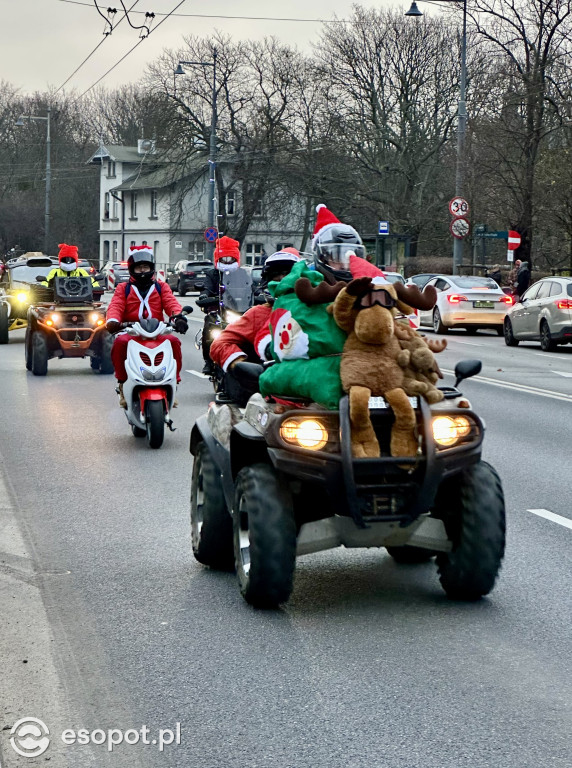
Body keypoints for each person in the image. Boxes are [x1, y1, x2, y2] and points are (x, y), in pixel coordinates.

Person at [209, 248, 301, 404]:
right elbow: (219, 344)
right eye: (276, 277)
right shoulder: (258, 314)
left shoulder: (315, 310)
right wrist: (241, 364)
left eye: (287, 276)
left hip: (310, 394)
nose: (282, 281)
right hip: (269, 396)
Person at [105, 245, 188, 408]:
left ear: (151, 268)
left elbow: (171, 302)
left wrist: (178, 318)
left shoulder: (161, 286)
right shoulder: (123, 288)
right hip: (132, 332)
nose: (142, 271)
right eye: (138, 267)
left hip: (157, 332)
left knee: (174, 342)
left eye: (146, 267)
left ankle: (173, 384)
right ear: (132, 269)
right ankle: (122, 384)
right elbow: (116, 305)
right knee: (120, 343)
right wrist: (113, 321)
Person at [198, 236, 241, 375]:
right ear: (218, 258)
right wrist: (205, 295)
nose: (227, 261)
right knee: (209, 328)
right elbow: (206, 287)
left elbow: (250, 287)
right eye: (224, 258)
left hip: (238, 311)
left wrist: (259, 293)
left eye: (231, 258)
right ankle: (208, 361)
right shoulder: (212, 274)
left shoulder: (241, 274)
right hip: (217, 310)